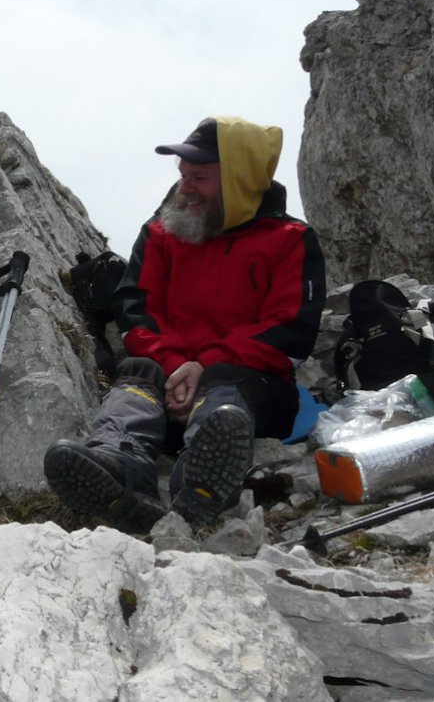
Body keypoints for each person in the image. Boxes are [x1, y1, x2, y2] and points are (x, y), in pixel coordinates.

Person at [44, 116, 326, 532]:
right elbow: (135, 310)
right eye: (183, 175)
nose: (185, 187)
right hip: (168, 387)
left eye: (199, 177)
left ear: (239, 180)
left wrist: (204, 366)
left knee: (226, 383)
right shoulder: (161, 233)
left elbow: (290, 333)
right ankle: (119, 466)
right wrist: (177, 366)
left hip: (251, 397)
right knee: (138, 369)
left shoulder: (290, 240)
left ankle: (198, 483)